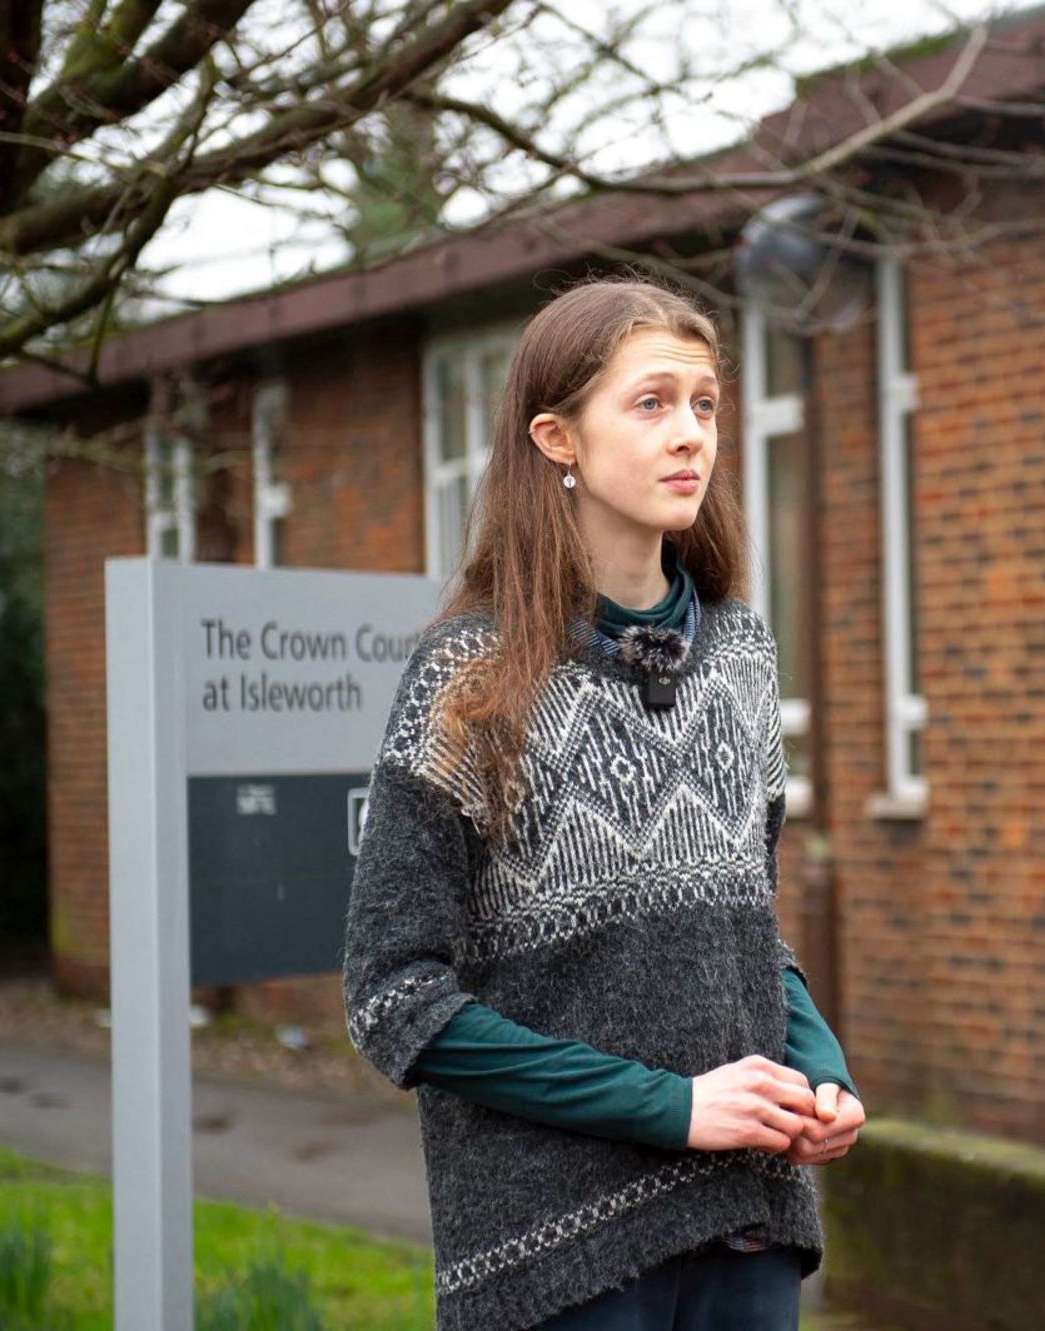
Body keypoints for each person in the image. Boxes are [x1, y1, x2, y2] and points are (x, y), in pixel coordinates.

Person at [342, 274, 864, 1331]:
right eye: (651, 402)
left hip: (746, 1226)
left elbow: (744, 926)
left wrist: (820, 1071)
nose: (690, 435)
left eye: (704, 404)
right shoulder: (468, 681)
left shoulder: (743, 657)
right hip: (559, 1252)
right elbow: (393, 996)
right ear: (557, 437)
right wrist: (669, 1108)